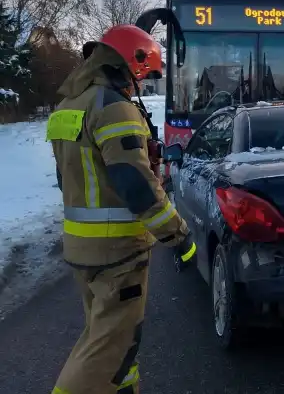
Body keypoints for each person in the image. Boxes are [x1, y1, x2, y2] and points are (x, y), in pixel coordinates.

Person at [47, 24, 196, 394]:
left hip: (83, 248)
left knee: (116, 343)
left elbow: (76, 177)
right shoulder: (115, 110)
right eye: (142, 76)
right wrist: (179, 237)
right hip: (117, 252)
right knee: (104, 350)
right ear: (134, 63)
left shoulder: (69, 107)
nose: (141, 85)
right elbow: (137, 187)